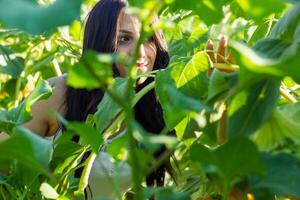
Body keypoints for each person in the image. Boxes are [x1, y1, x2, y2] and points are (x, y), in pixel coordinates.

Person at [0, 0, 233, 198]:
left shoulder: (157, 102)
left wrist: (223, 92)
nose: (140, 53)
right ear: (100, 43)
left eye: (148, 38)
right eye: (124, 40)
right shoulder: (60, 93)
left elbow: (223, 145)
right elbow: (6, 158)